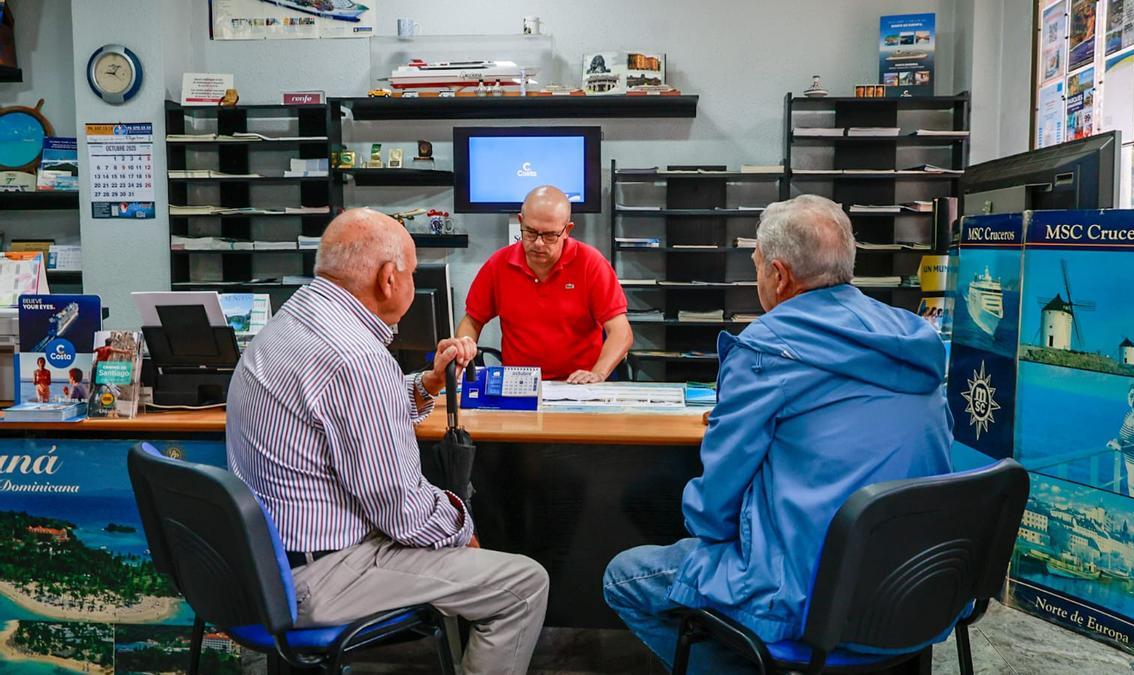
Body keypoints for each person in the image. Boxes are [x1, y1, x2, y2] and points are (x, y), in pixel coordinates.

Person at [602, 195, 954, 672]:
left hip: (809, 600)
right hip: (917, 590)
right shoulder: (915, 339)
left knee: (622, 578)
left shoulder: (767, 348)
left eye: (757, 267)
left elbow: (713, 509)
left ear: (780, 275)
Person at [226, 208, 549, 675]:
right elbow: (400, 508)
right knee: (524, 584)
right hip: (319, 574)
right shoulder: (356, 358)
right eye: (414, 274)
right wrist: (461, 528)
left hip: (260, 561)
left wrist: (429, 384)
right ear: (389, 277)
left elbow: (349, 410)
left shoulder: (289, 324)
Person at [456, 185, 632, 383]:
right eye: (530, 232)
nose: (538, 243)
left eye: (549, 235)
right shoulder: (499, 265)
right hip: (519, 385)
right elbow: (472, 321)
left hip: (578, 385)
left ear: (567, 230)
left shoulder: (590, 264)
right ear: (521, 222)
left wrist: (598, 373)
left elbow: (620, 331)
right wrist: (463, 351)